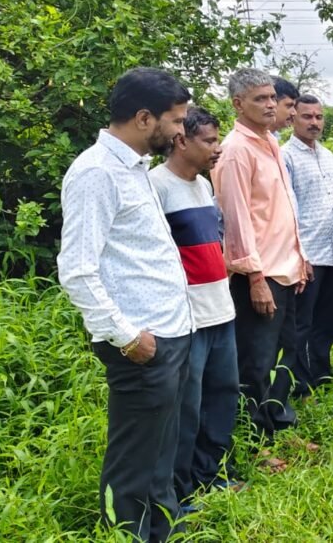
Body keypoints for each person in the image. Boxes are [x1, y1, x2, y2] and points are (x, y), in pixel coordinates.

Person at [57, 67, 194, 541]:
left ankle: (162, 527)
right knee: (134, 460)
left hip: (170, 332)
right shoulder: (96, 172)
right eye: (176, 121)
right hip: (141, 341)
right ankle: (129, 534)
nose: (181, 132)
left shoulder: (134, 168)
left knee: (161, 450)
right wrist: (127, 335)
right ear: (143, 118)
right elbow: (76, 269)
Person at [211, 68, 310, 448]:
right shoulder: (236, 152)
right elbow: (235, 220)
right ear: (238, 104)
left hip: (286, 269)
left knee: (286, 353)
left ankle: (279, 422)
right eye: (260, 99)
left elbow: (278, 212)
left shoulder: (270, 144)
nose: (271, 105)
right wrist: (254, 278)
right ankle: (257, 439)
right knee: (256, 361)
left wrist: (300, 259)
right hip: (261, 275)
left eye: (272, 97)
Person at [150, 106, 241, 509]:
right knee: (186, 408)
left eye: (216, 139)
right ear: (181, 140)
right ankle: (180, 489)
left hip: (221, 309)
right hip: (187, 318)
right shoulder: (157, 186)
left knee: (222, 397)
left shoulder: (204, 186)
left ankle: (212, 473)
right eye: (208, 140)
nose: (216, 148)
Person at [283, 94, 333, 392]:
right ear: (292, 118)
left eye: (318, 117)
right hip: (308, 253)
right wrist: (300, 255)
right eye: (307, 116)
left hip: (332, 251)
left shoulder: (327, 155)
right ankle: (299, 384)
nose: (314, 122)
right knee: (302, 323)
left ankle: (321, 374)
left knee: (327, 319)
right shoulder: (285, 156)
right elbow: (288, 209)